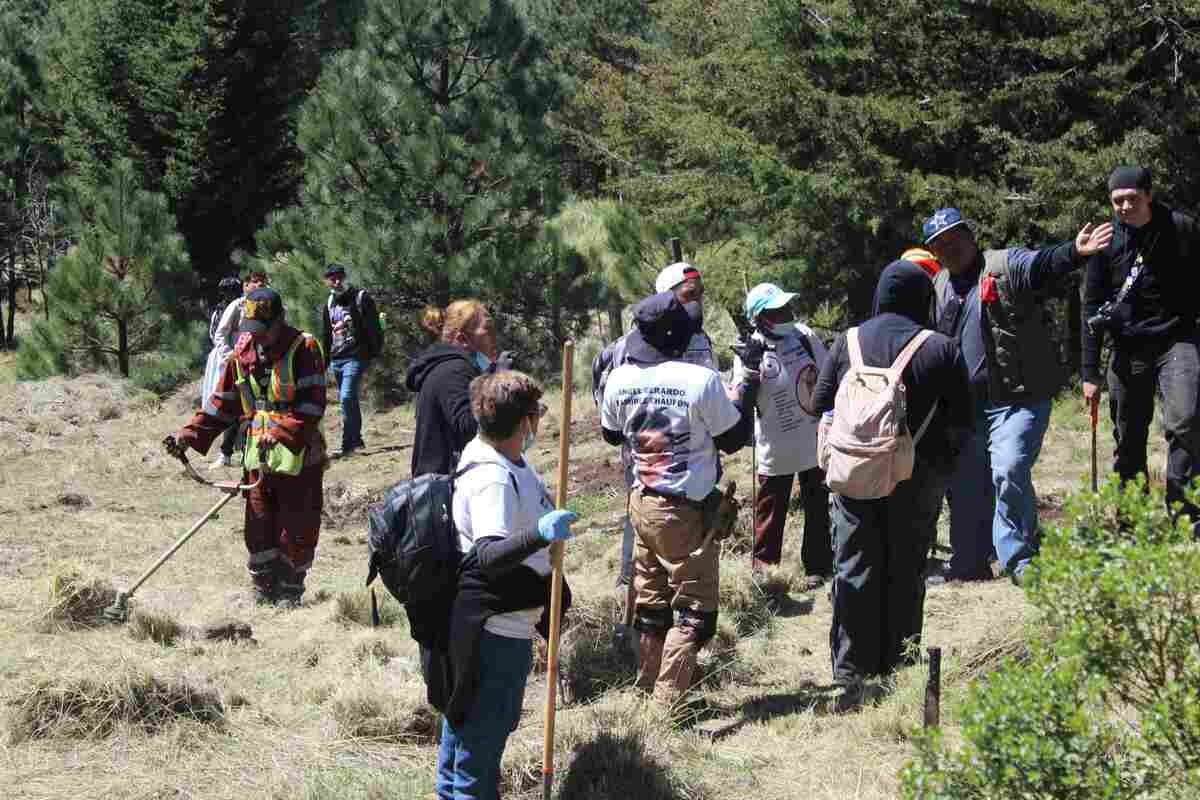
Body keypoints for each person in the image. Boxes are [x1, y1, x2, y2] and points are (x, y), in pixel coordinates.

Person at [923, 208, 1114, 585]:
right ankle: (969, 563)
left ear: (970, 235)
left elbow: (1042, 264)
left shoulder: (1005, 265)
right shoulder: (939, 286)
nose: (950, 247)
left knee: (1009, 469)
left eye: (955, 238)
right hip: (965, 407)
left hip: (1017, 400)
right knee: (964, 486)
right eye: (940, 245)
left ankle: (1020, 560)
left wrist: (1074, 252)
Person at [813, 260, 971, 707]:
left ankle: (849, 671)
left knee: (854, 566)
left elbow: (821, 402)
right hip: (917, 475)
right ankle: (898, 664)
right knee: (905, 568)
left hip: (854, 474)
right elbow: (963, 421)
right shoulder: (941, 347)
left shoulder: (848, 341)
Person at [601, 291, 756, 705]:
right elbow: (734, 438)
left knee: (652, 604)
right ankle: (667, 704)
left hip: (641, 503)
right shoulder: (699, 381)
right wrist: (746, 389)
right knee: (696, 614)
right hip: (686, 512)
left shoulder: (619, 379)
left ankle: (647, 684)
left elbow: (611, 434)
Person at [436, 370, 576, 800]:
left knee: (466, 736)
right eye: (537, 414)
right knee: (479, 748)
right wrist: (541, 533)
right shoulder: (492, 477)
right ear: (523, 422)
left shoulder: (506, 457)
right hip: (495, 636)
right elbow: (489, 556)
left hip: (499, 627)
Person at [166, 287, 327, 607]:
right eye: (252, 329)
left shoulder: (305, 348)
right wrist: (189, 434)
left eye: (263, 330)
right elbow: (221, 404)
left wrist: (280, 432)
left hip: (300, 458)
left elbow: (313, 406)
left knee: (296, 525)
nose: (258, 338)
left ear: (279, 321)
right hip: (257, 458)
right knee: (258, 524)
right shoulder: (243, 352)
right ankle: (264, 587)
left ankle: (290, 590)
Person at [1083, 166, 1200, 535]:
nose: (1125, 206)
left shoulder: (1182, 228)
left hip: (1175, 339)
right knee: (1129, 435)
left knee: (1185, 420)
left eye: (1133, 198)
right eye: (1118, 200)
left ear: (1149, 195)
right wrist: (1089, 372)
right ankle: (1130, 520)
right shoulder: (1104, 240)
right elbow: (1091, 307)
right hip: (1127, 346)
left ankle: (1186, 513)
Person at [592, 260, 719, 594]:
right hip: (648, 453)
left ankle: (689, 584)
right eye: (690, 296)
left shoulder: (703, 341)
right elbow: (608, 408)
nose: (698, 303)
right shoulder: (622, 349)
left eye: (701, 295)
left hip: (697, 453)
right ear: (668, 298)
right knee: (645, 512)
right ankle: (630, 580)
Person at [733, 282, 832, 588]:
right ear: (760, 318)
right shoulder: (749, 350)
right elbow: (741, 401)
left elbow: (827, 372)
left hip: (812, 437)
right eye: (777, 310)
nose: (786, 313)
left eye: (786, 307)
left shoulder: (803, 335)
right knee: (771, 511)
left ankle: (818, 566)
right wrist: (750, 369)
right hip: (775, 445)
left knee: (817, 505)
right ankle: (765, 573)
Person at [406, 301, 497, 478]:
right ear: (463, 339)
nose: (494, 336)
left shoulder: (456, 366)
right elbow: (468, 427)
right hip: (445, 489)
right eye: (488, 329)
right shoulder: (453, 370)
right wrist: (495, 385)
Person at [202, 272, 269, 469]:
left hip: (259, 365)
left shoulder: (269, 306)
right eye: (255, 282)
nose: (259, 286)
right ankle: (225, 453)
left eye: (263, 283)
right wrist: (230, 356)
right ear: (246, 285)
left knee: (259, 408)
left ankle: (256, 451)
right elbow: (219, 334)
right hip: (235, 363)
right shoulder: (237, 306)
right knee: (231, 405)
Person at [320, 263, 382, 458]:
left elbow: (373, 326)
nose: (337, 281)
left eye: (339, 277)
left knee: (346, 397)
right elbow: (326, 333)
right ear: (327, 281)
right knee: (350, 400)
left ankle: (348, 444)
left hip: (355, 355)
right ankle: (357, 439)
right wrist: (324, 359)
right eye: (332, 278)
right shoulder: (329, 302)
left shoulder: (360, 297)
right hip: (336, 357)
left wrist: (373, 351)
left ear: (345, 277)